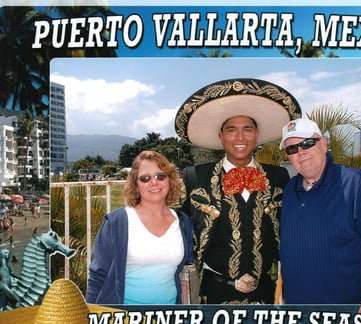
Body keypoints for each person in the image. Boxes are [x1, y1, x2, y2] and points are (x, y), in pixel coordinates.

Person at [175, 78, 302, 304]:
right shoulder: (197, 176)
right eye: (231, 130)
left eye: (247, 129)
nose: (240, 137)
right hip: (214, 294)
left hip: (265, 294)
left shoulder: (278, 177)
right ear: (221, 136)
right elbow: (175, 228)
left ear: (257, 135)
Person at [279, 118, 361, 304]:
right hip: (299, 320)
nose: (301, 152)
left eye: (307, 143)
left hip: (349, 320)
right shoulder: (289, 191)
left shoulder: (355, 184)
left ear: (324, 144)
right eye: (292, 149)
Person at [86, 150, 194, 304]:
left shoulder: (183, 223)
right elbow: (98, 276)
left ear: (170, 180)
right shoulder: (117, 223)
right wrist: (89, 319)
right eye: (145, 178)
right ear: (135, 185)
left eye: (160, 176)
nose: (154, 182)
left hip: (168, 321)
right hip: (124, 322)